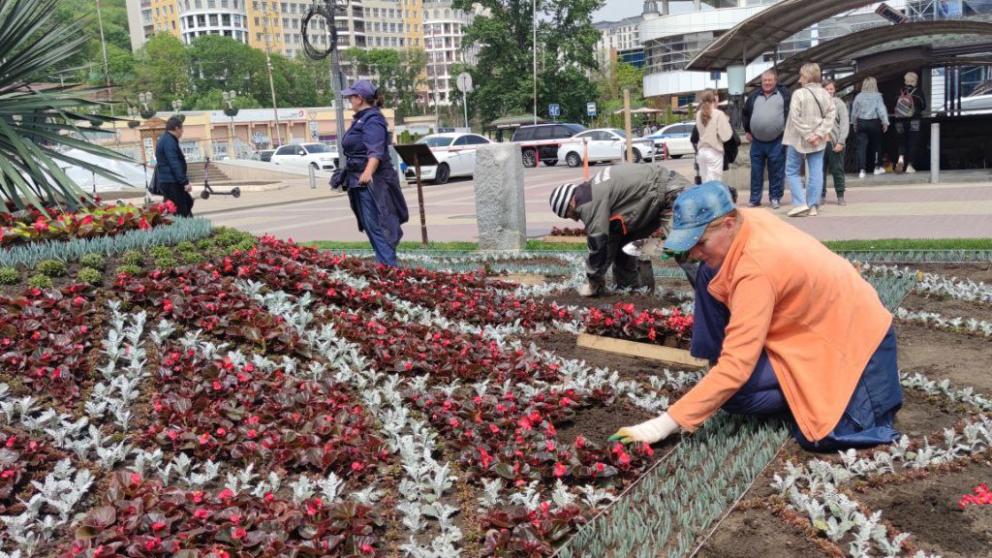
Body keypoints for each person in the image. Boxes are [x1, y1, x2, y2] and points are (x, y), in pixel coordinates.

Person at [611, 181, 902, 452]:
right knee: (709, 272)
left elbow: (737, 366)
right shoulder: (744, 221)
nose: (695, 252)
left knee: (739, 393)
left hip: (853, 340)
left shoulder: (755, 271)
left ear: (727, 224)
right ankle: (724, 371)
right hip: (825, 317)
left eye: (700, 242)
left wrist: (662, 425)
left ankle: (801, 394)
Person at [548, 164, 690, 296]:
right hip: (660, 194)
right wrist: (597, 279)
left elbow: (598, 244)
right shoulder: (594, 191)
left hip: (672, 194)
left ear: (571, 203)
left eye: (570, 214)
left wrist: (592, 282)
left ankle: (709, 294)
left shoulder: (587, 202)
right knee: (622, 247)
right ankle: (631, 293)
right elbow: (610, 240)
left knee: (687, 252)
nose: (575, 219)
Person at [336, 80, 409, 266]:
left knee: (379, 225)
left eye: (351, 97)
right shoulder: (362, 118)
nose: (349, 100)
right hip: (358, 180)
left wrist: (367, 173)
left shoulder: (373, 120)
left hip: (372, 182)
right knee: (370, 226)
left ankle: (391, 272)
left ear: (360, 98)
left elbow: (375, 151)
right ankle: (384, 267)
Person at [782, 63, 835, 218]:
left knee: (792, 170)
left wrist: (808, 135)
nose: (799, 79)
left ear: (807, 76)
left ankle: (800, 204)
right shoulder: (825, 94)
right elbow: (830, 116)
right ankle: (813, 205)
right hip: (818, 141)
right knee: (816, 172)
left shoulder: (798, 94)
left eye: (801, 75)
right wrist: (818, 134)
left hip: (796, 138)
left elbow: (794, 117)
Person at [743, 69, 790, 209]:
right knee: (756, 172)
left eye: (770, 80)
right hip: (757, 141)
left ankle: (775, 197)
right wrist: (747, 130)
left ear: (775, 81)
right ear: (761, 82)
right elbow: (745, 113)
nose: (767, 83)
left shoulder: (784, 95)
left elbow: (790, 114)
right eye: (765, 80)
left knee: (776, 170)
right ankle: (755, 199)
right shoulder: (753, 96)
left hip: (777, 140)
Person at [154, 116, 194, 217]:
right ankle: (186, 230)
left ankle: (186, 226)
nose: (183, 131)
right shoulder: (169, 141)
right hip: (172, 182)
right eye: (182, 128)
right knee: (181, 210)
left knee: (186, 203)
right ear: (177, 128)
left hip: (168, 181)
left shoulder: (166, 139)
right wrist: (184, 182)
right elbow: (174, 163)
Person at [851, 76, 889, 179]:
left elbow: (854, 112)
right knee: (876, 145)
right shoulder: (878, 96)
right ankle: (877, 168)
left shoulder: (858, 97)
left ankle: (862, 170)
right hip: (874, 122)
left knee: (861, 147)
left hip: (861, 122)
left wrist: (854, 123)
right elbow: (881, 110)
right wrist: (885, 122)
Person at [694, 90, 733, 183]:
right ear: (714, 100)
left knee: (705, 183)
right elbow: (726, 136)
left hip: (701, 151)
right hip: (714, 151)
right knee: (714, 184)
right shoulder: (718, 114)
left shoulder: (698, 114)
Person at [822, 80, 850, 206]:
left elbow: (844, 124)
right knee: (819, 171)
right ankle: (821, 195)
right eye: (826, 89)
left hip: (835, 143)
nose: (829, 91)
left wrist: (841, 142)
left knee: (837, 170)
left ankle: (840, 195)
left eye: (831, 89)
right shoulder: (817, 104)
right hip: (820, 143)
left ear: (835, 90)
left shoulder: (839, 104)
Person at [894, 72, 926, 174]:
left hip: (899, 121)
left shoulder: (900, 92)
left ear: (905, 80)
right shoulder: (918, 92)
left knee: (901, 141)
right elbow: (923, 105)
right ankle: (909, 166)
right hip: (914, 121)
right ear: (915, 81)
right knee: (912, 143)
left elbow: (894, 104)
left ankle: (900, 158)